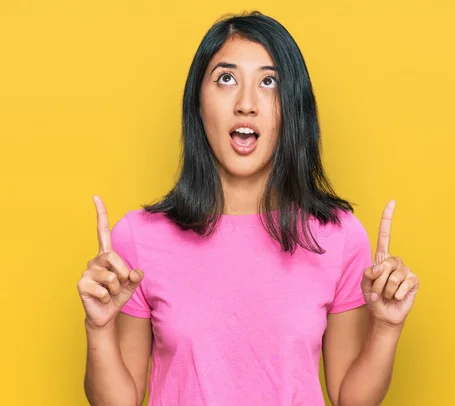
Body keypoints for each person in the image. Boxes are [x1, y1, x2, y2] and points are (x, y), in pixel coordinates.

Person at [77, 11, 419, 406]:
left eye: (269, 82)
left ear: (293, 107)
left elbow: (351, 398)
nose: (246, 104)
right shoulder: (138, 238)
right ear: (197, 102)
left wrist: (387, 328)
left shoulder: (338, 236)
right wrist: (98, 327)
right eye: (226, 78)